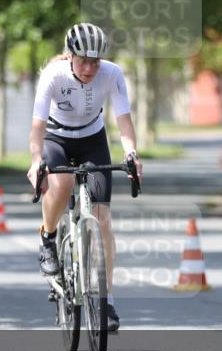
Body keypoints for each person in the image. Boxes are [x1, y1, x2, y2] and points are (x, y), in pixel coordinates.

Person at [27, 23, 143, 333]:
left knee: (103, 219)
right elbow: (37, 126)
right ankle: (48, 237)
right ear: (69, 56)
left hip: (93, 140)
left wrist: (131, 153)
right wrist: (36, 160)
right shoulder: (53, 75)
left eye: (96, 62)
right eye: (83, 61)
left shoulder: (112, 74)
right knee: (62, 184)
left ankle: (106, 301)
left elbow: (123, 119)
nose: (90, 68)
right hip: (56, 138)